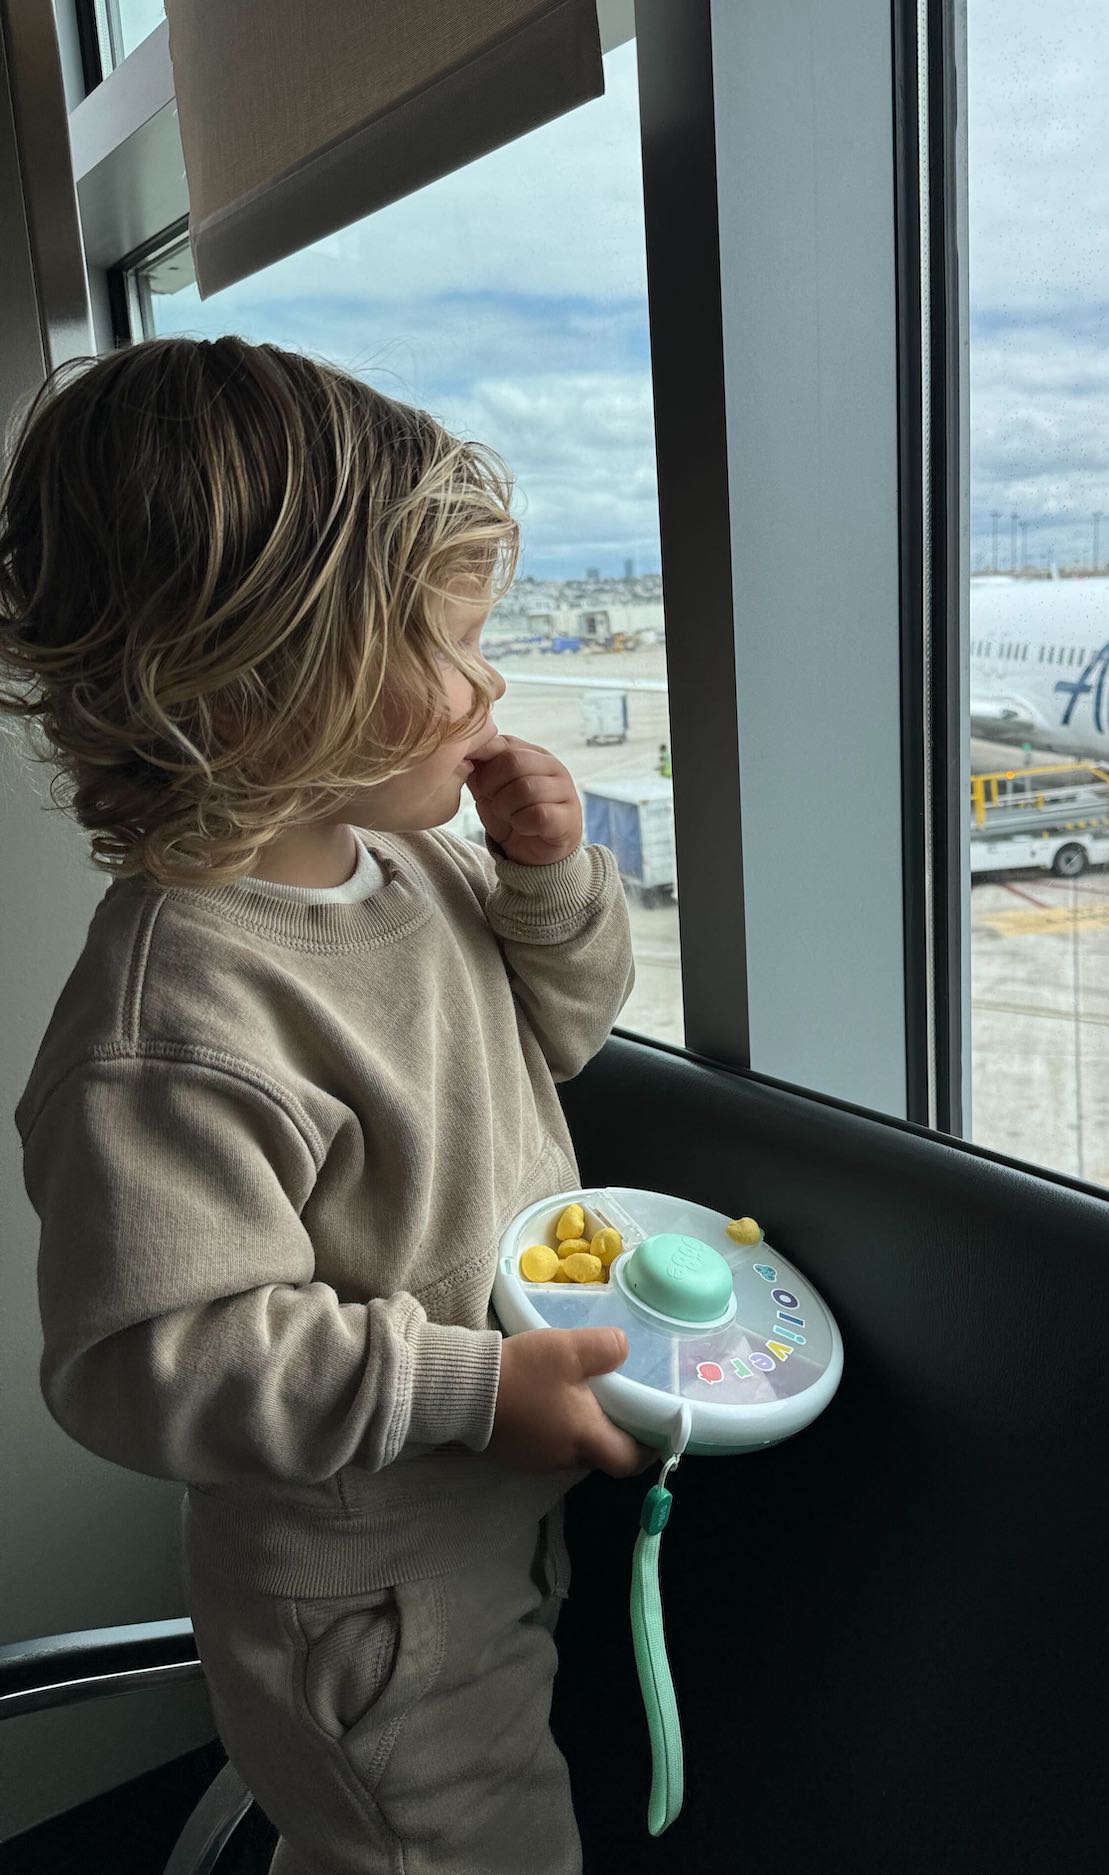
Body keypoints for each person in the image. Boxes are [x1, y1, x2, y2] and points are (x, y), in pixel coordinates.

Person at [1, 337, 646, 1874]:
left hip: (476, 1535)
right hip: (367, 1600)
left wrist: (549, 883)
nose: (492, 685)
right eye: (451, 644)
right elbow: (147, 1354)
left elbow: (559, 1030)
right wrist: (470, 1390)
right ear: (265, 690)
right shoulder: (178, 1018)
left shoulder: (413, 866)